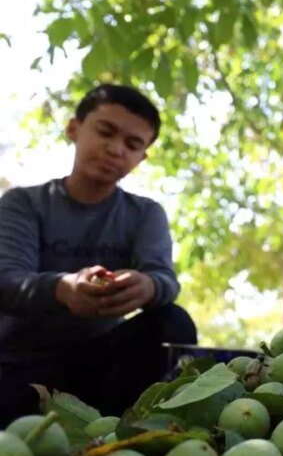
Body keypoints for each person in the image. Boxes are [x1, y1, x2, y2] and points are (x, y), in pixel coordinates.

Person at [0, 83, 196, 424]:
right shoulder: (23, 204)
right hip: (17, 366)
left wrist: (146, 287)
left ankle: (124, 430)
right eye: (105, 132)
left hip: (98, 370)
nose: (115, 149)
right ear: (74, 128)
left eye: (132, 144)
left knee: (172, 321)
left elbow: (164, 280)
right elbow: (6, 280)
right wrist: (63, 289)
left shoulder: (145, 214)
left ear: (142, 157)